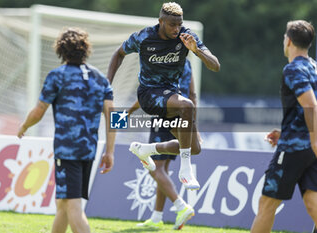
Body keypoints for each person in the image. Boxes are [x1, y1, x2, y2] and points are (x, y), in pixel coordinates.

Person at [107, 2, 220, 195]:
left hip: (171, 98)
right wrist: (107, 85)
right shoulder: (144, 37)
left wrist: (196, 50)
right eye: (171, 25)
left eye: (179, 24)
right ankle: (186, 170)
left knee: (195, 147)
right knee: (187, 105)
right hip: (148, 95)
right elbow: (119, 54)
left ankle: (145, 149)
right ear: (160, 22)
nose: (176, 29)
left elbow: (215, 65)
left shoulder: (187, 37)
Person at [17, 28, 115, 233]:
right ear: (86, 50)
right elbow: (115, 117)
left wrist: (24, 126)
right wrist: (110, 151)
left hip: (67, 151)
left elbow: (38, 112)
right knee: (63, 204)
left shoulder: (57, 76)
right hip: (89, 150)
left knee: (73, 206)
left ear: (61, 50)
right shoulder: (100, 78)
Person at [250, 20, 317, 233]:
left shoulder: (292, 69)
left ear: (288, 41)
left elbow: (310, 105)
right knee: (312, 202)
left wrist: (313, 139)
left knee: (267, 204)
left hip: (297, 148)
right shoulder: (314, 67)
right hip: (307, 146)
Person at [129, 59, 202, 230]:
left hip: (164, 114)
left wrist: (128, 112)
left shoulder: (162, 60)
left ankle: (180, 206)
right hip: (184, 114)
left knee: (157, 168)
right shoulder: (187, 63)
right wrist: (193, 123)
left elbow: (150, 94)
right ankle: (156, 217)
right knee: (165, 168)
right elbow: (192, 95)